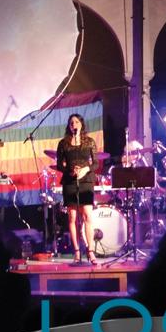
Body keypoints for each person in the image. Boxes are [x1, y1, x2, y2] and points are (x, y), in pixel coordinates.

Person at [56, 113, 99, 265]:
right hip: (70, 181)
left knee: (87, 216)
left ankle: (90, 251)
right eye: (71, 123)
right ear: (69, 126)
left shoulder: (89, 141)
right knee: (72, 217)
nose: (74, 124)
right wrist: (70, 170)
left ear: (81, 124)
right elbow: (59, 165)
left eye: (76, 122)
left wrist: (86, 169)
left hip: (86, 180)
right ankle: (76, 252)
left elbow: (96, 163)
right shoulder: (63, 143)